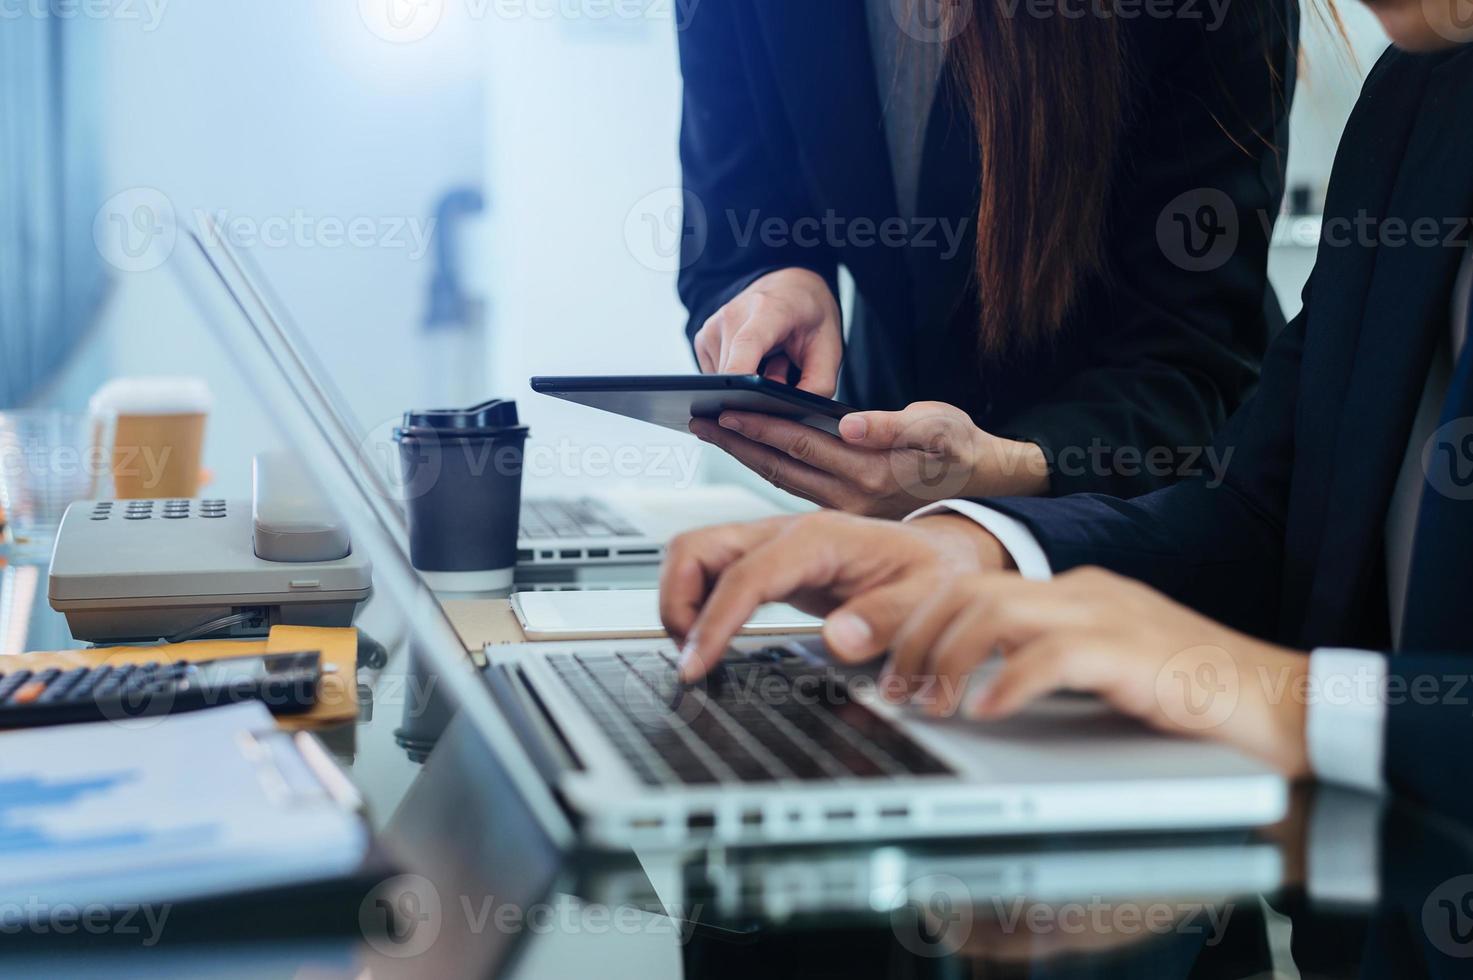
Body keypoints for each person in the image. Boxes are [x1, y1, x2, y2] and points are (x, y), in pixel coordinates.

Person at [661, 4, 1473, 817]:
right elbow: (1261, 515)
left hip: (1142, 468)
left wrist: (1283, 697)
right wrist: (976, 543)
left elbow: (1193, 371)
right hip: (1368, 887)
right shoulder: (1418, 96)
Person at [675, 0, 1298, 515]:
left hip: (1136, 501)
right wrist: (775, 281)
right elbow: (734, 226)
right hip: (891, 472)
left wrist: (998, 471)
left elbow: (1187, 356)